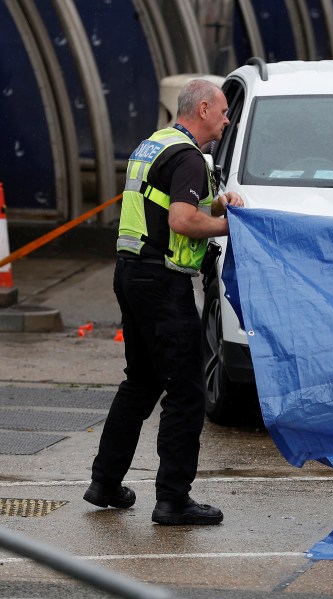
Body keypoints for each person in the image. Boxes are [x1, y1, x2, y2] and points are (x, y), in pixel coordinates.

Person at [83, 79, 243, 526]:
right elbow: (182, 219)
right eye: (225, 112)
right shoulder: (189, 156)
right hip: (161, 284)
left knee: (141, 383)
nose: (227, 120)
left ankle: (105, 481)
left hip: (131, 274)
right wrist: (232, 227)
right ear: (205, 108)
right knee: (187, 392)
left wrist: (220, 201)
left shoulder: (154, 145)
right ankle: (173, 499)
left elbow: (172, 203)